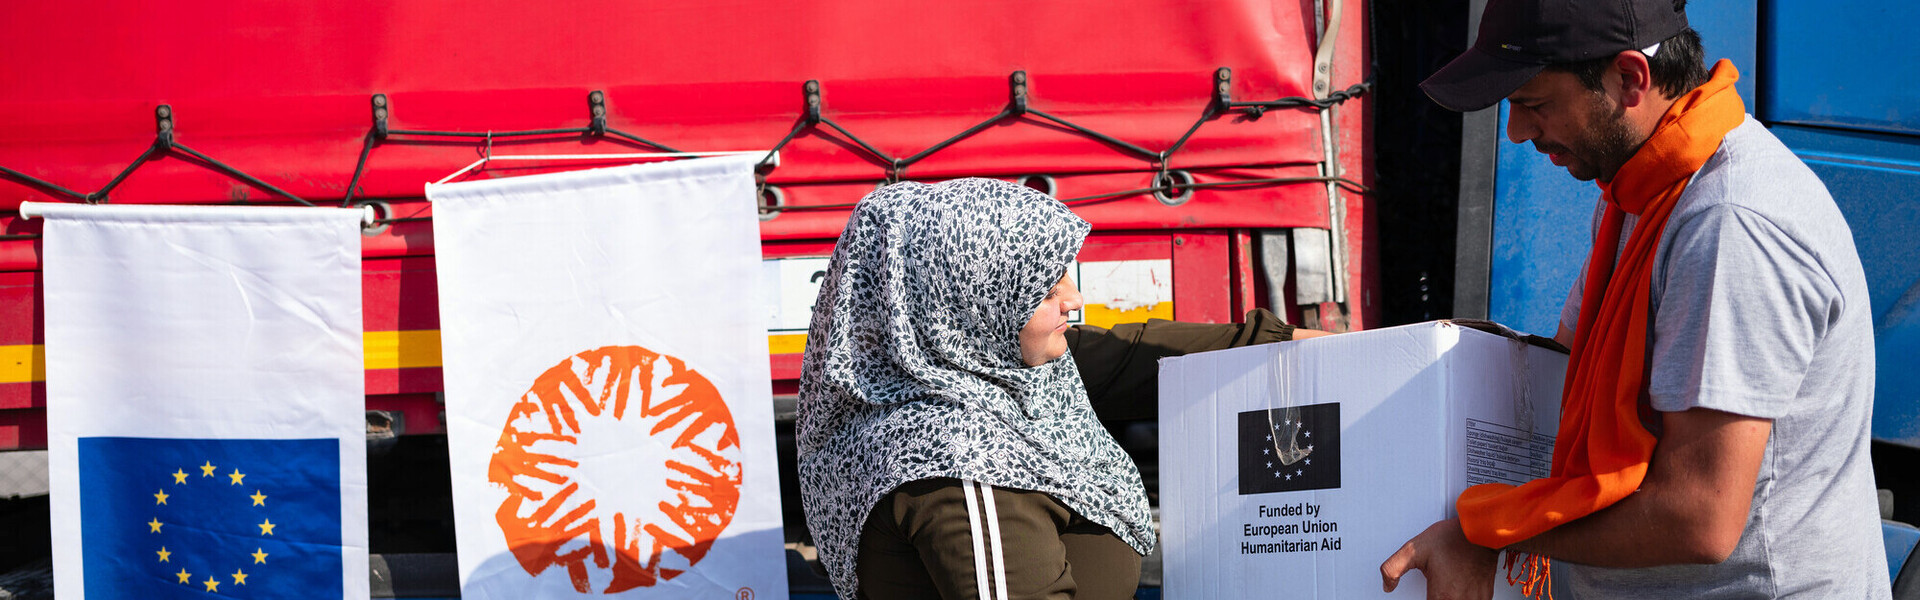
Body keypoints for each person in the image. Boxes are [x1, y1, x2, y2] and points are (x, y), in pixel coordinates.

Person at [1379, 0, 1889, 598]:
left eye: (1534, 103)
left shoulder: (1728, 225)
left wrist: (1494, 534)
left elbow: (1700, 516)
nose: (1515, 132)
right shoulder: (1639, 191)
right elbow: (1560, 365)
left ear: (1630, 78)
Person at [797, 178, 1157, 600]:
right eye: (1045, 288)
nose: (1074, 299)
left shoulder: (980, 375)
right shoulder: (963, 458)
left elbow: (1133, 355)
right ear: (965, 306)